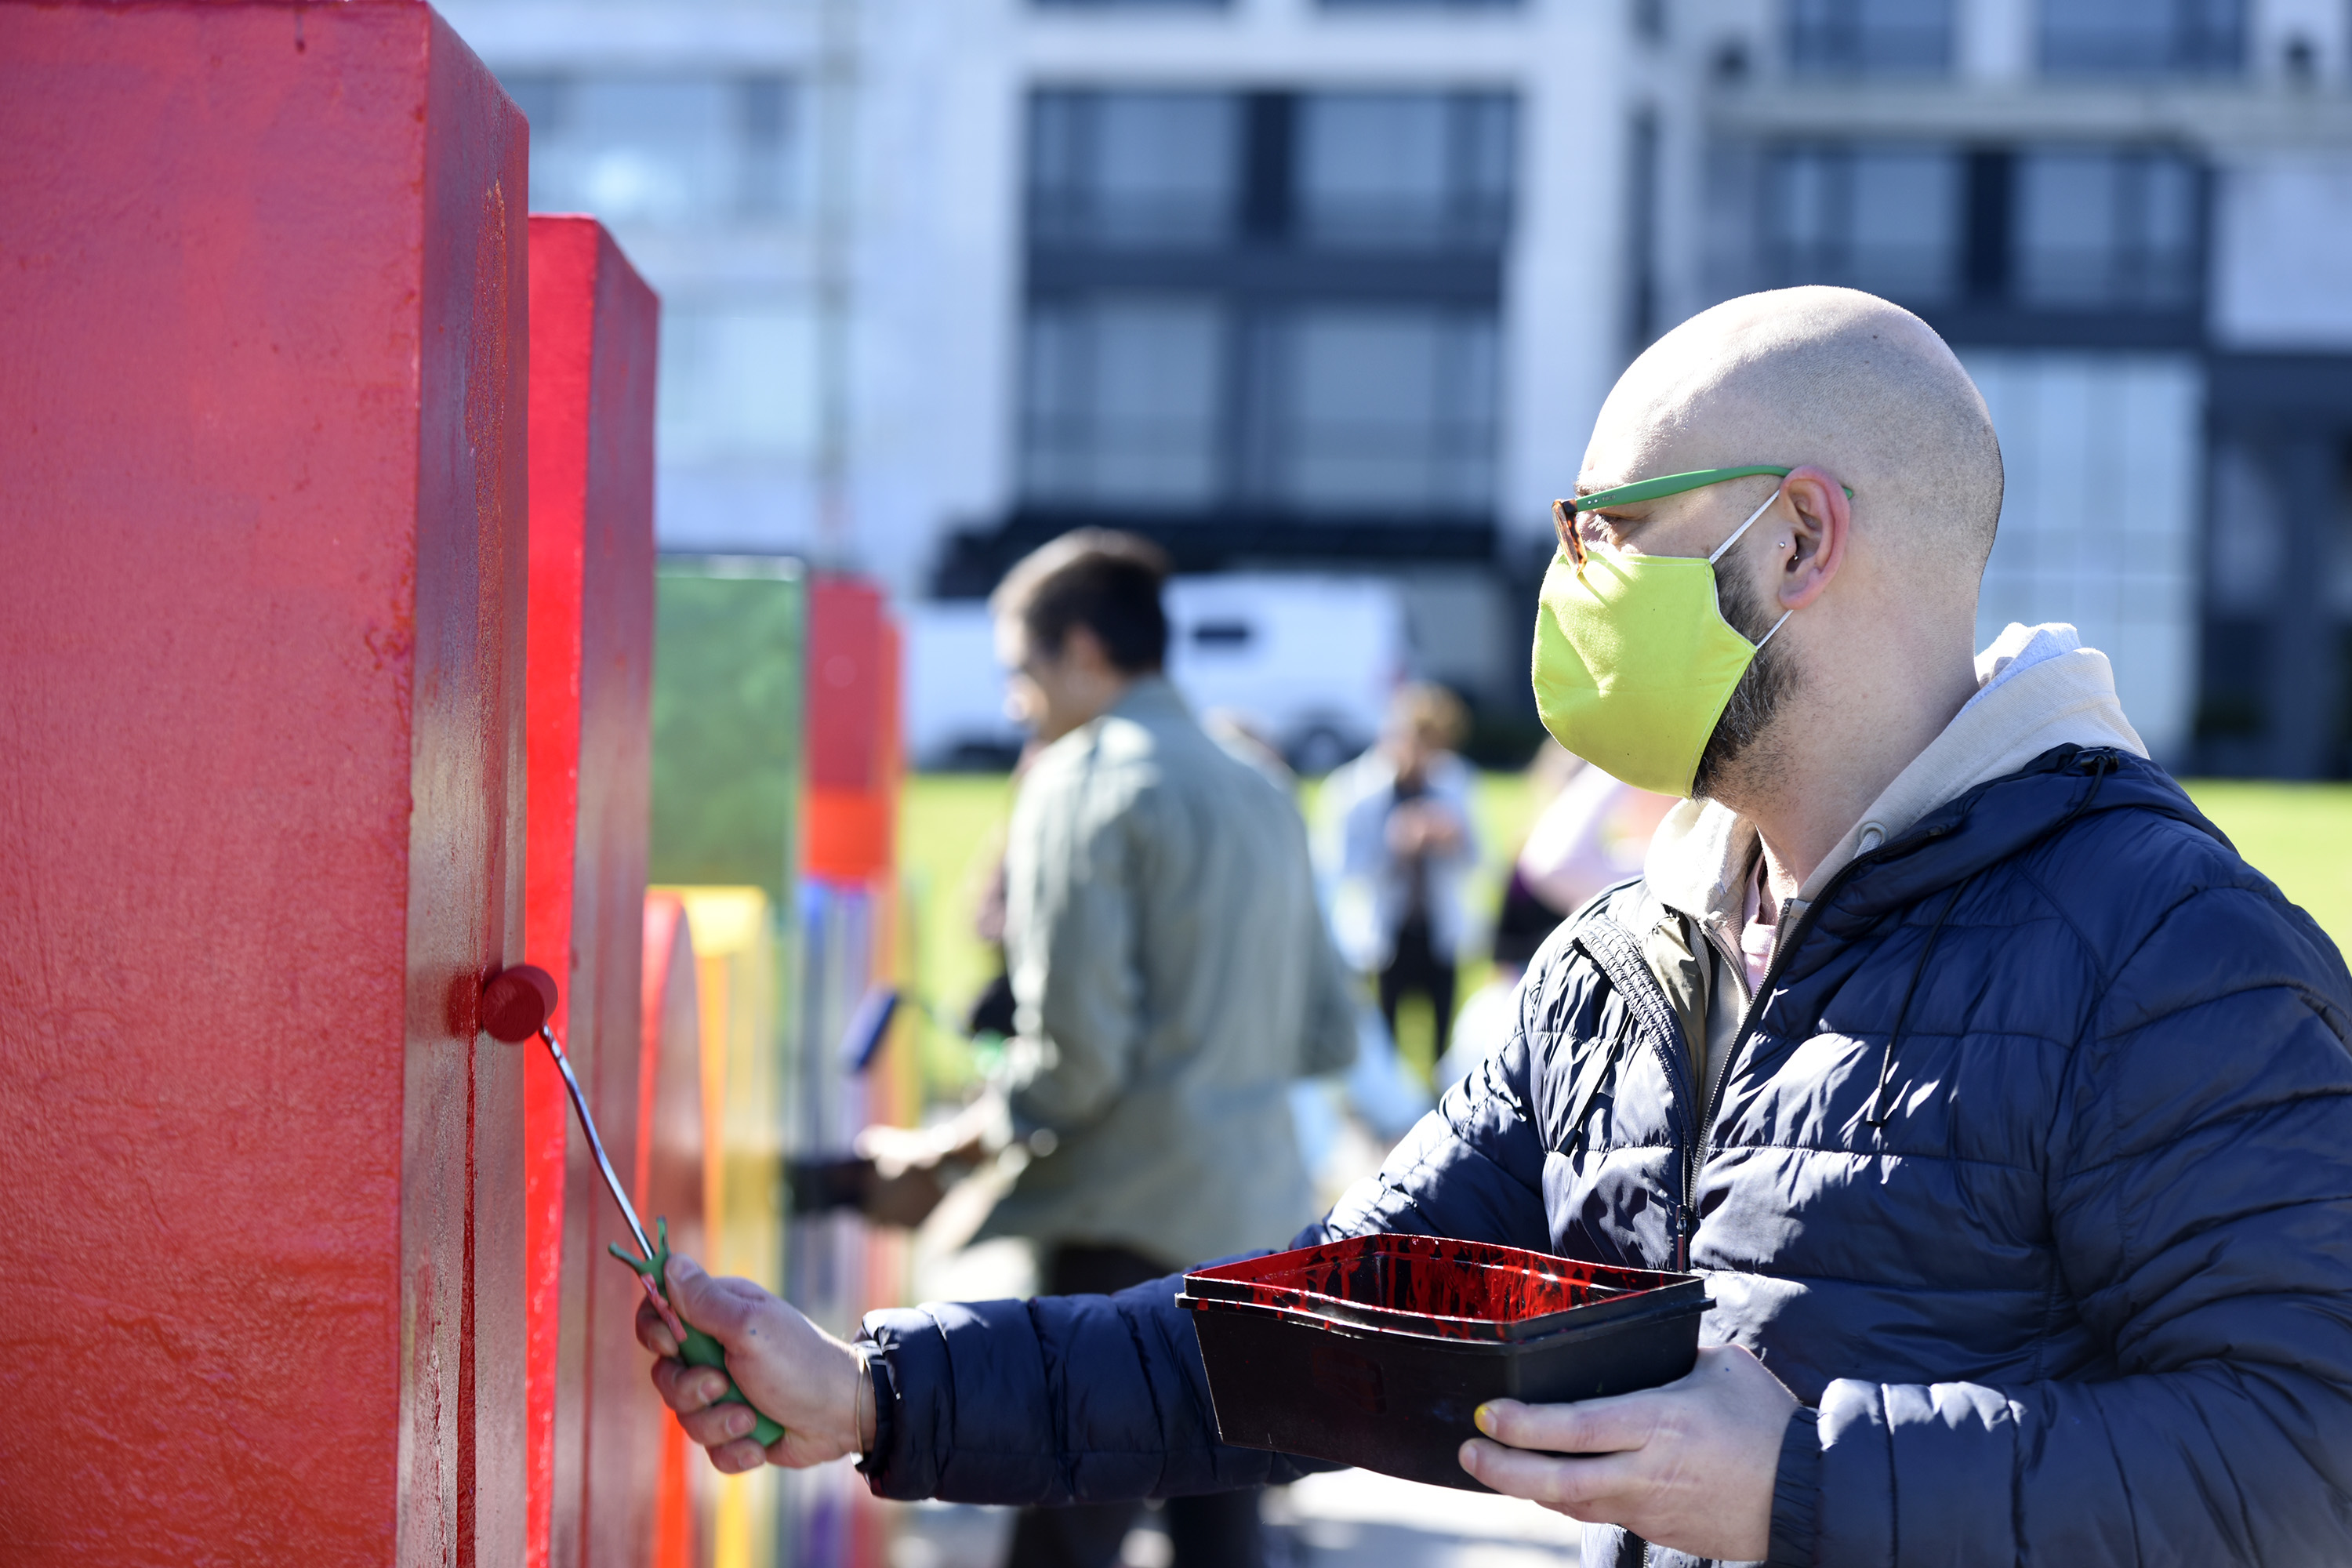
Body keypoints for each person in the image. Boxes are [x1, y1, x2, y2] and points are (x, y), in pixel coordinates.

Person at [633, 289, 2352, 1568]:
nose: (1573, 590)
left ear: (1803, 535)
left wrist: (1801, 1473)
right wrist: (879, 1391)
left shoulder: (2172, 948)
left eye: (1612, 534)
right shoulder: (1624, 959)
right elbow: (1318, 1334)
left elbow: (2307, 1452)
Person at [858, 528, 1358, 1568]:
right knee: (1221, 1529)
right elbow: (1331, 1033)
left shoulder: (1081, 782)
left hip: (1126, 1230)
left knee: (1065, 1539)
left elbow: (1075, 1061)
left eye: (1020, 673)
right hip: (1261, 1227)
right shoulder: (1262, 785)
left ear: (1083, 649)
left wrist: (955, 1148)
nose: (1013, 704)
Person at [1319, 683, 1480, 1068]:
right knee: (1380, 1037)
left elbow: (1479, 858)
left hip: (1437, 925)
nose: (1428, 757)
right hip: (1382, 932)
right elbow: (1336, 867)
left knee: (1443, 1035)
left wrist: (1452, 839)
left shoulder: (1453, 781)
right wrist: (1394, 846)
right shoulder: (1354, 789)